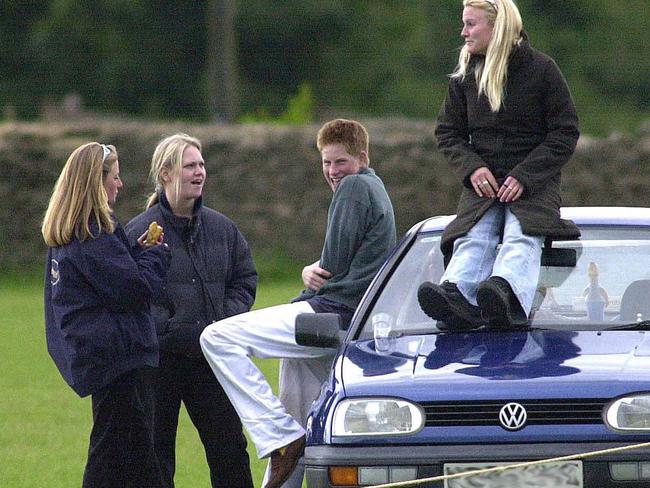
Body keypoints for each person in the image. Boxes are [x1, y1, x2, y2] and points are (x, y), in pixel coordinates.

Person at [200, 119, 396, 488]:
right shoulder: (376, 188)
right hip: (346, 320)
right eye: (326, 163)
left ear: (362, 157)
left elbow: (332, 268)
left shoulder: (354, 188)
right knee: (301, 412)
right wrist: (314, 275)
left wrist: (308, 278)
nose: (333, 172)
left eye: (340, 162)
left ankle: (277, 436)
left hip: (330, 315)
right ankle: (288, 443)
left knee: (216, 338)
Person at [418, 0, 581, 329]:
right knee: (474, 235)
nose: (463, 32)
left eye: (470, 24)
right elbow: (448, 133)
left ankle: (504, 292)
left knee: (523, 235)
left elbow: (565, 132)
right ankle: (456, 295)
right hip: (483, 184)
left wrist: (525, 176)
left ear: (497, 27)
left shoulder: (543, 69)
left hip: (535, 183)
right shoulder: (464, 76)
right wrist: (473, 169)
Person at [125, 133, 257, 488]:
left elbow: (245, 278)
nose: (199, 172)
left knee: (229, 451)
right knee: (154, 457)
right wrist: (165, 326)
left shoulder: (223, 229)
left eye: (201, 165)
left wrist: (222, 320)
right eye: (190, 165)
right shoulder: (139, 232)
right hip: (159, 363)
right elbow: (131, 294)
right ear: (166, 173)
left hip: (211, 360)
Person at [42, 142, 170, 487]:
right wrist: (155, 255)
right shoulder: (94, 233)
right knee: (116, 461)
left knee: (131, 460)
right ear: (96, 184)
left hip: (100, 358)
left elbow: (111, 282)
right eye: (115, 176)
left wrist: (134, 251)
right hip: (120, 360)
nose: (121, 184)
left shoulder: (68, 234)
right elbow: (136, 291)